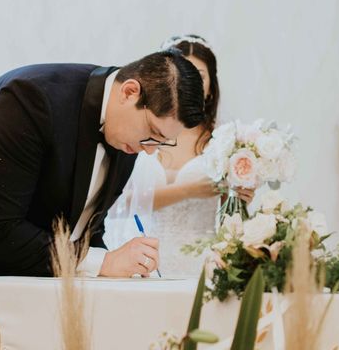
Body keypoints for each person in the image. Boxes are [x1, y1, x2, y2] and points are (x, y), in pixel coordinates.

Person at [0, 50, 205, 281]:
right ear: (129, 92)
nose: (149, 151)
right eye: (152, 134)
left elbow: (84, 228)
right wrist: (103, 263)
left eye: (161, 142)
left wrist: (123, 269)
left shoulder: (126, 134)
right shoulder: (30, 98)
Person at [106, 35, 253, 277]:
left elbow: (231, 211)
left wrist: (242, 196)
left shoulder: (225, 141)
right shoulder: (139, 135)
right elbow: (118, 203)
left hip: (200, 260)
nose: (189, 82)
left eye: (199, 75)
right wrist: (189, 190)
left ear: (210, 89)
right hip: (144, 257)